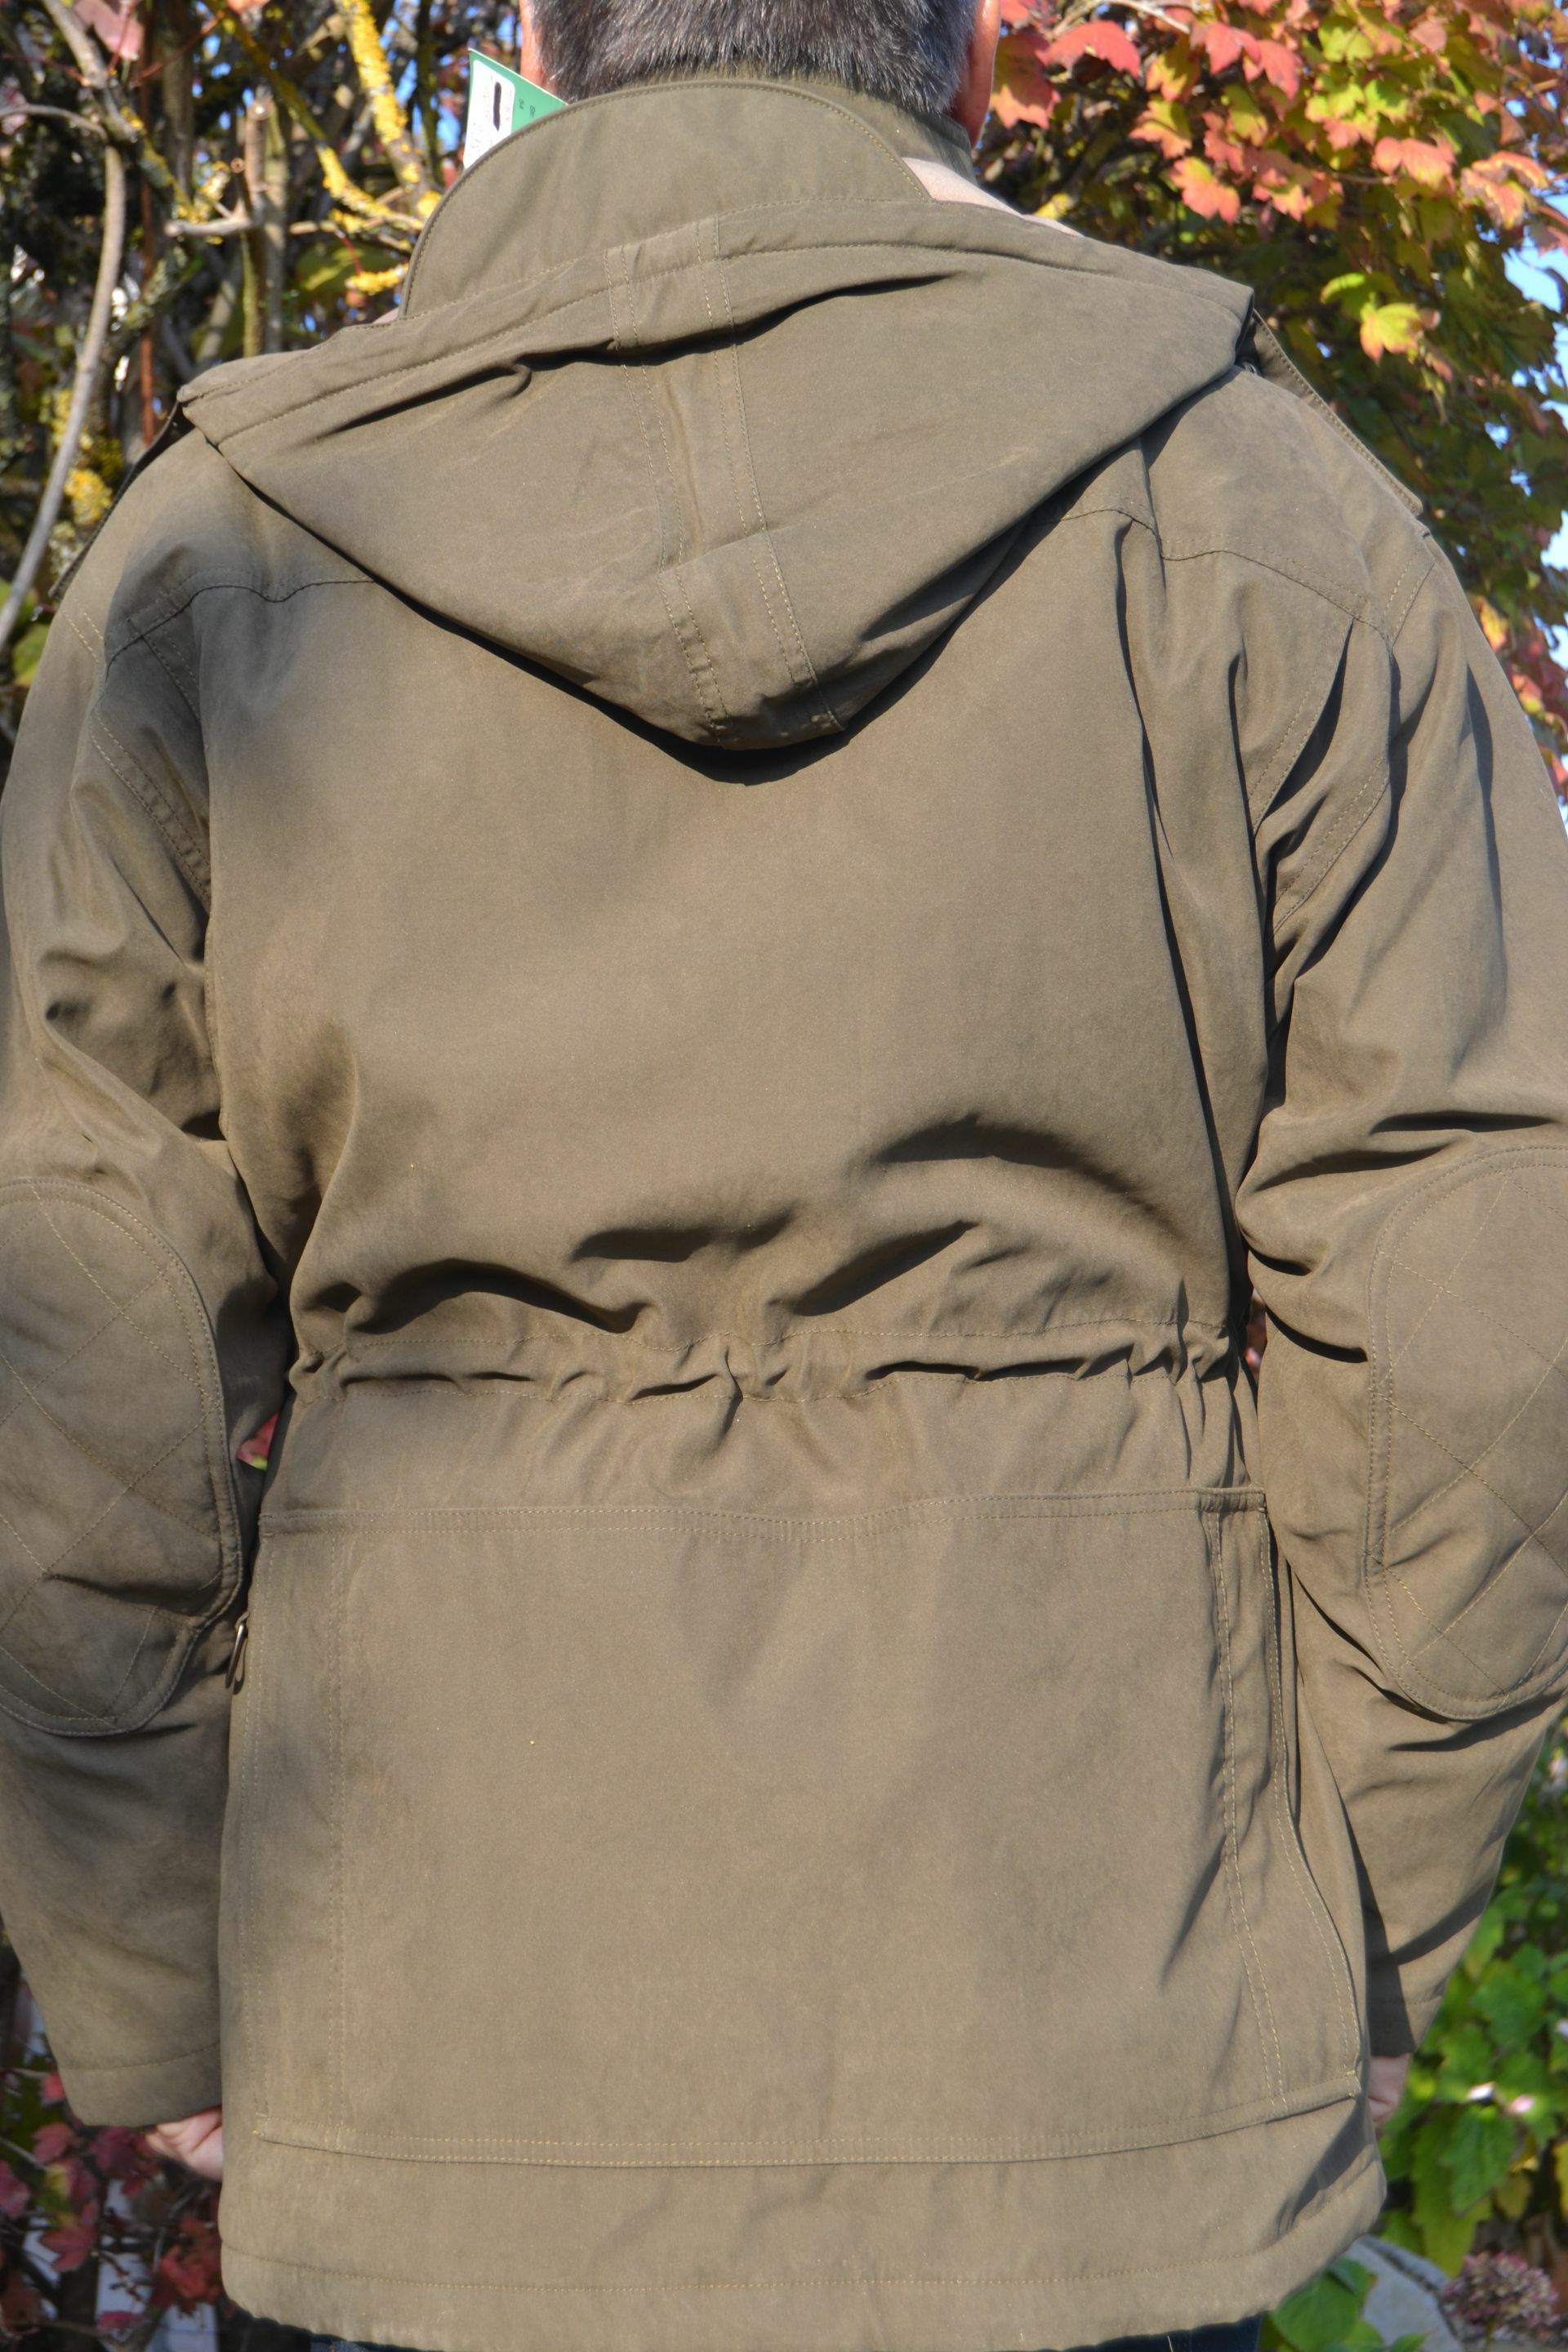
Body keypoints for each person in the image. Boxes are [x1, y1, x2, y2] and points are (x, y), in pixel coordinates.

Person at [2, 0, 1567, 2347]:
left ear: (544, 42)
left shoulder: (221, 562)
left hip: (451, 2055)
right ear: (966, 56)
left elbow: (72, 1304)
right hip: (1092, 2049)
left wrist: (151, 1962)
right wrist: (1351, 1916)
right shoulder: (1253, 504)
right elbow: (1474, 1267)